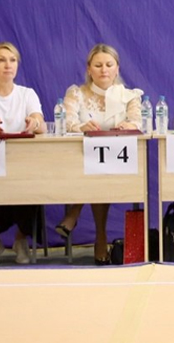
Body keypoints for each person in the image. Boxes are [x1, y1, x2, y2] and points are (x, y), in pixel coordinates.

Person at [57, 44, 143, 264]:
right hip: (82, 159)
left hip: (120, 159)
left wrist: (126, 126)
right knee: (95, 168)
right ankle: (100, 237)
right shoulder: (76, 93)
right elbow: (67, 122)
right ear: (89, 69)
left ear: (117, 69)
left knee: (100, 169)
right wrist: (82, 126)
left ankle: (75, 214)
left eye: (108, 65)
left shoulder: (131, 96)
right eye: (98, 65)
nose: (103, 70)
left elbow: (136, 121)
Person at [0, 42, 44, 265]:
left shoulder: (26, 94)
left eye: (12, 60)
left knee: (33, 183)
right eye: (1, 60)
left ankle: (21, 240)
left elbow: (41, 124)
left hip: (23, 164)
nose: (7, 65)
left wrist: (33, 121)